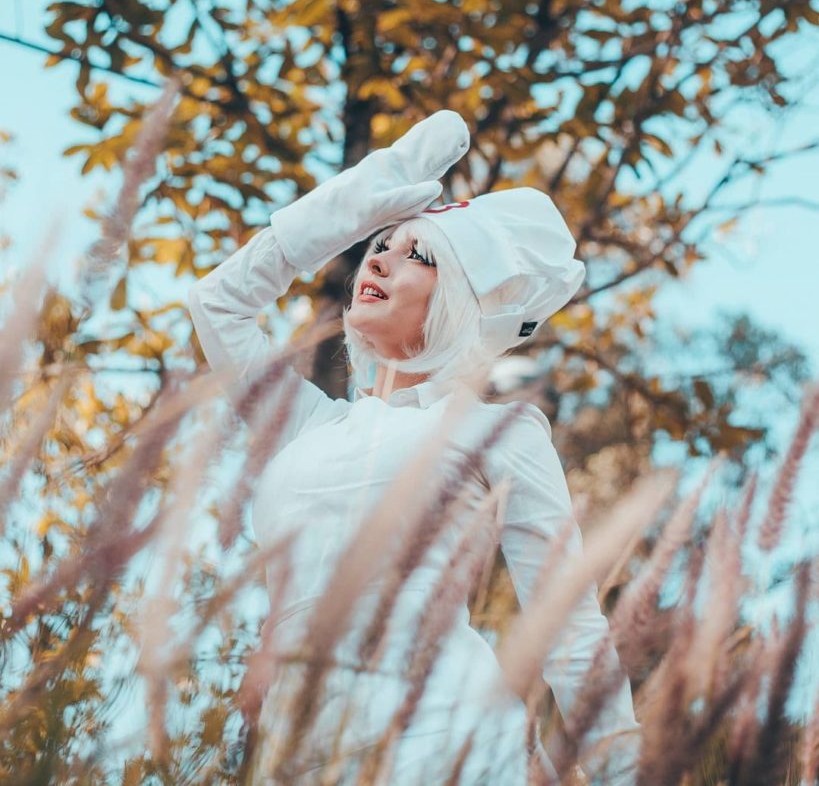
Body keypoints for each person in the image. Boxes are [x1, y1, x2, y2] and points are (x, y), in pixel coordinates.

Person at [187, 111, 640, 785]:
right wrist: (367, 192)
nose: (378, 259)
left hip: (446, 744)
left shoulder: (496, 430)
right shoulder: (307, 426)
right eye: (380, 245)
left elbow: (569, 630)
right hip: (300, 754)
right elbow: (217, 302)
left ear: (456, 301)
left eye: (418, 256)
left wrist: (625, 772)